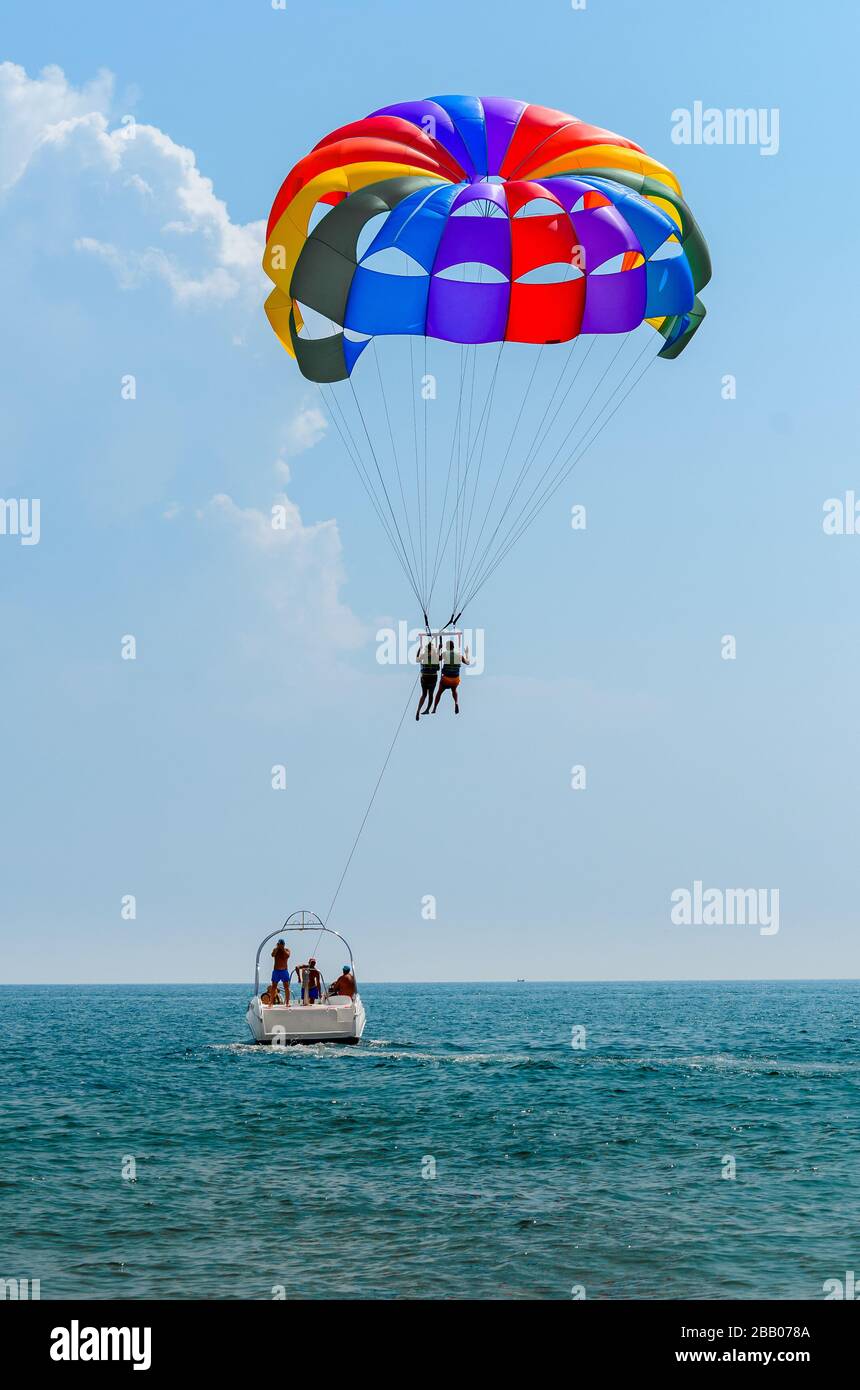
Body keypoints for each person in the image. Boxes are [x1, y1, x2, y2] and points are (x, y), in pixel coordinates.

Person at [432, 639, 470, 714]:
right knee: (454, 690)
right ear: (453, 647)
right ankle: (456, 702)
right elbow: (468, 662)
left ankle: (434, 708)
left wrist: (439, 649)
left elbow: (436, 659)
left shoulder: (445, 653)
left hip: (446, 680)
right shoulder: (459, 655)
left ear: (447, 647)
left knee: (439, 692)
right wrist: (466, 653)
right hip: (455, 680)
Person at [415, 635, 440, 720]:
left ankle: (418, 710)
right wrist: (439, 649)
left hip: (424, 678)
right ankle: (427, 709)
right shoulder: (435, 656)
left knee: (424, 694)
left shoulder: (423, 655)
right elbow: (438, 668)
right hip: (432, 678)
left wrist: (419, 649)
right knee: (431, 694)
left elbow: (417, 659)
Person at [270, 939, 292, 1005]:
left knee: (286, 987)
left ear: (283, 944)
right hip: (276, 971)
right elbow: (272, 955)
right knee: (274, 987)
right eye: (279, 944)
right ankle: (271, 1002)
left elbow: (287, 956)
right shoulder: (275, 950)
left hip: (284, 971)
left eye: (281, 944)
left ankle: (287, 1002)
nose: (280, 945)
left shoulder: (287, 950)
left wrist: (282, 949)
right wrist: (277, 948)